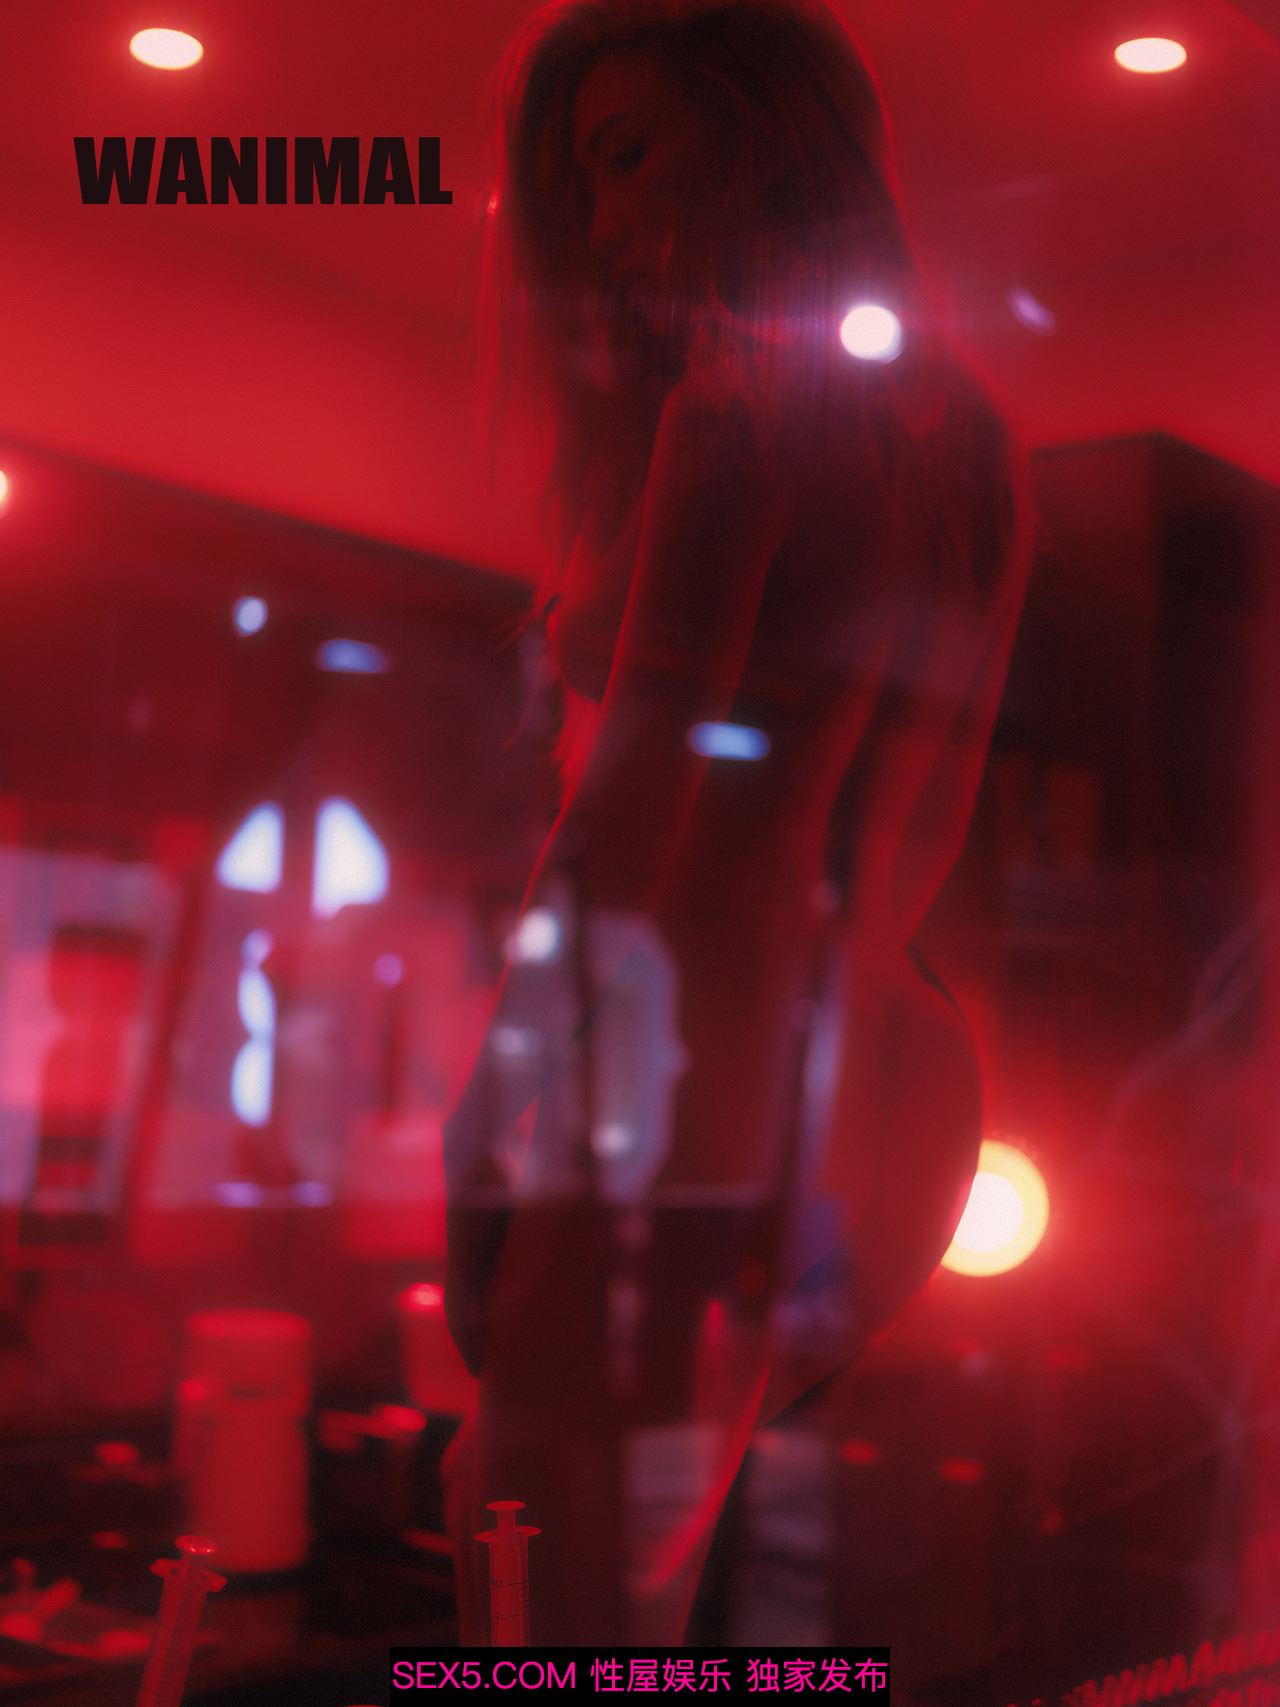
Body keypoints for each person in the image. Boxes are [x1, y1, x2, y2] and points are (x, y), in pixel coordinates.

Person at [440, 0, 1033, 1646]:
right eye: (583, 182)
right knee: (614, 1573)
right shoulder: (973, 441)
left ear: (760, 125)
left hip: (699, 1072)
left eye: (627, 157)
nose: (601, 225)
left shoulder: (733, 411)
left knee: (548, 1611)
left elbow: (621, 829)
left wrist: (484, 1125)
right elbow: (933, 818)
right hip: (902, 1078)